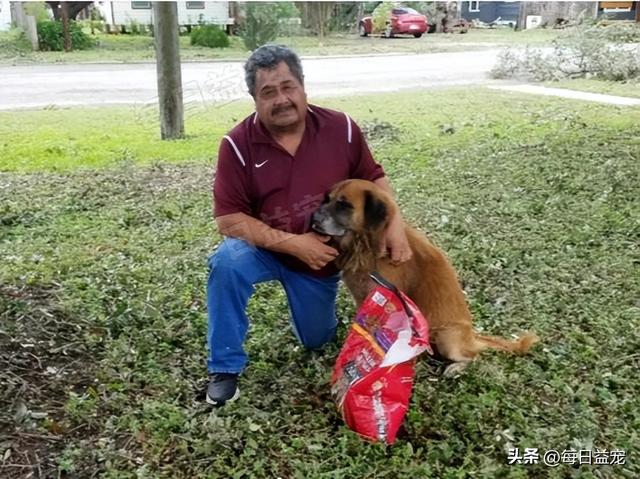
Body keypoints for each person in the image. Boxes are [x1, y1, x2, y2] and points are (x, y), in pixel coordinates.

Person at [206, 44, 411, 406]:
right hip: (266, 251)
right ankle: (224, 367)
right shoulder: (237, 145)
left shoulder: (341, 128)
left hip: (319, 265)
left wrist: (395, 223)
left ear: (303, 87)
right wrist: (292, 243)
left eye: (288, 87)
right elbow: (229, 219)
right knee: (227, 263)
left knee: (317, 340)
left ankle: (317, 321)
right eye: (268, 92)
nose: (281, 99)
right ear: (254, 97)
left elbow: (373, 177)